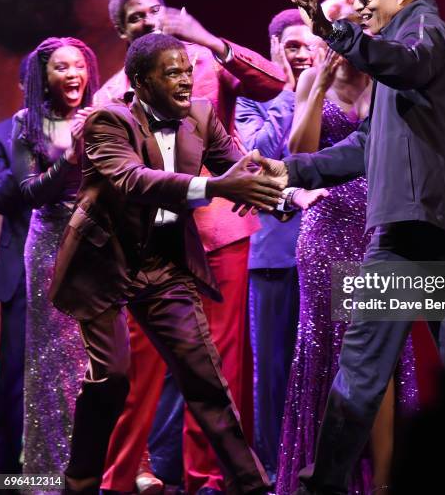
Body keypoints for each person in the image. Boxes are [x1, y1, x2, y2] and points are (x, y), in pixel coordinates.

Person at [252, 0, 445, 493]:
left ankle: (325, 483)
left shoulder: (427, 33)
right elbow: (365, 146)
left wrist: (331, 27)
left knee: (367, 359)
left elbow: (405, 64)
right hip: (427, 229)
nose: (360, 8)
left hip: (418, 230)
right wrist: (288, 172)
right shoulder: (399, 55)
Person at [48, 32, 283, 494]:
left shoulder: (200, 115)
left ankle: (253, 487)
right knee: (113, 378)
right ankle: (80, 484)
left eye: (186, 71)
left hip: (163, 263)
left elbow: (237, 166)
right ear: (140, 81)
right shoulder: (107, 121)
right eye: (171, 72)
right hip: (104, 264)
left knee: (205, 379)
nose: (183, 81)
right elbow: (135, 180)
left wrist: (286, 190)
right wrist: (217, 189)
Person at [234, 8, 322, 483]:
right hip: (274, 252)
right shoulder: (250, 103)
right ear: (271, 48)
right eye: (292, 45)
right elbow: (257, 157)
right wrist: (293, 93)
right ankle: (273, 470)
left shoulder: (332, 96)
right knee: (272, 370)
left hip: (330, 245)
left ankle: (319, 465)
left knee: (322, 365)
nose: (303, 54)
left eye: (310, 45)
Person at [11, 37, 98, 481]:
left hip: (98, 245)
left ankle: (97, 468)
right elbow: (28, 192)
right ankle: (48, 470)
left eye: (78, 66)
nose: (73, 75)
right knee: (52, 359)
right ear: (44, 76)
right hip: (49, 246)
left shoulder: (101, 117)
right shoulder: (29, 122)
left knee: (98, 360)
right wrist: (67, 158)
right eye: (61, 68)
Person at [0, 58, 32, 475]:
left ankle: (73, 474)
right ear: (25, 86)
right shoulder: (5, 133)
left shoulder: (91, 127)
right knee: (14, 381)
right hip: (22, 273)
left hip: (83, 268)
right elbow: (3, 198)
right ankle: (9, 475)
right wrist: (28, 140)